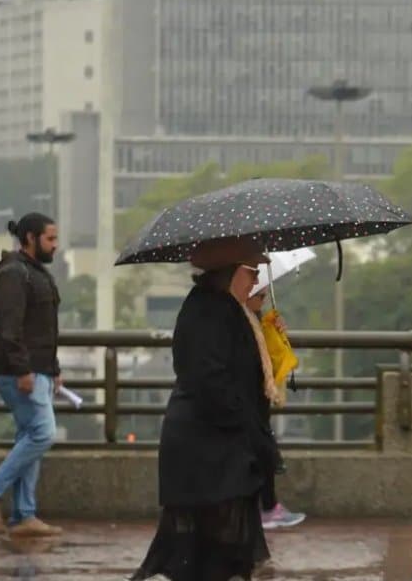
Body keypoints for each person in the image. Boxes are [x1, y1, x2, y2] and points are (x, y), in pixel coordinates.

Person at [132, 237, 281, 581]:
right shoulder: (206, 311)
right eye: (251, 271)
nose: (255, 279)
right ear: (229, 272)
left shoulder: (233, 310)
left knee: (222, 551)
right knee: (205, 552)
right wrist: (243, 424)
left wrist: (271, 335)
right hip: (207, 449)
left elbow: (251, 372)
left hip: (224, 449)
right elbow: (208, 379)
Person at [0, 213, 63, 537]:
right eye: (50, 239)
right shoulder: (13, 274)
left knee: (29, 435)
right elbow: (11, 331)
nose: (56, 245)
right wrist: (23, 371)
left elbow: (42, 329)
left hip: (38, 370)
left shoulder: (36, 274)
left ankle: (24, 515)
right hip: (18, 371)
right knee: (42, 433)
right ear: (30, 239)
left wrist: (54, 370)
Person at [245, 285, 306, 530]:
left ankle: (267, 507)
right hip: (247, 397)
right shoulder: (238, 319)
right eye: (259, 296)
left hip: (258, 396)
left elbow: (267, 355)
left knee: (264, 450)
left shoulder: (255, 319)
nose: (263, 300)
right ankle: (267, 508)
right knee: (262, 451)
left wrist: (274, 332)